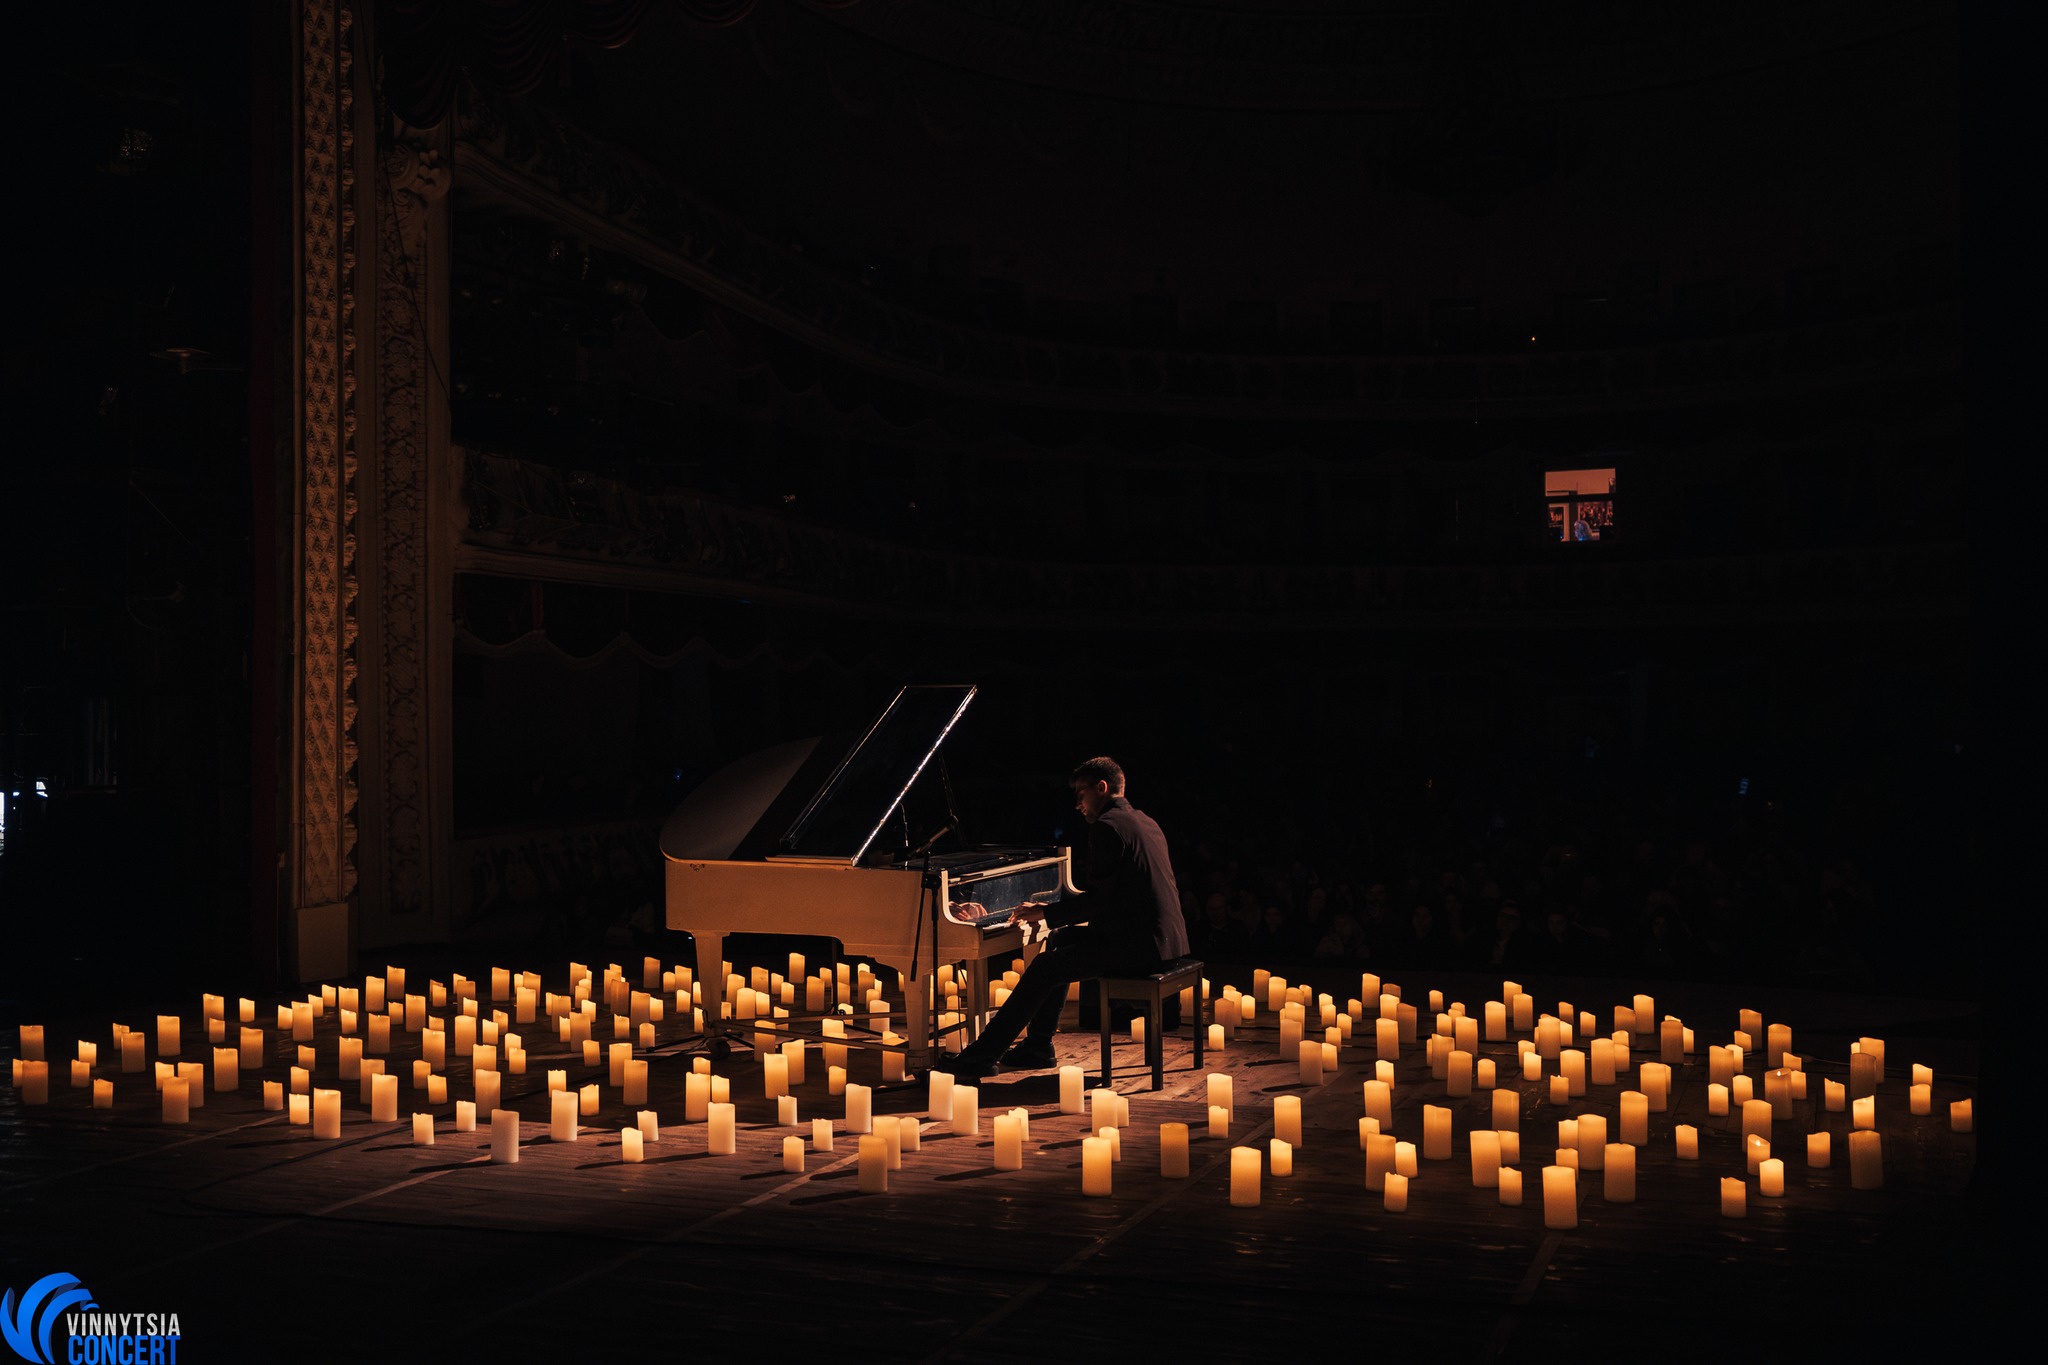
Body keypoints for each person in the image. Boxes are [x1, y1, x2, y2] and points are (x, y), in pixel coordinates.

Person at [937, 756, 1189, 1080]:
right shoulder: (1144, 822)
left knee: (1045, 967)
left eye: (1081, 795)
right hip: (1162, 940)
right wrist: (1053, 917)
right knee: (1059, 940)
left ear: (1101, 788)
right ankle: (1038, 1046)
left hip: (1139, 947)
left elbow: (1099, 900)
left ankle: (979, 1059)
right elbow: (1113, 895)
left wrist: (1044, 911)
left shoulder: (1107, 828)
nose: (1078, 805)